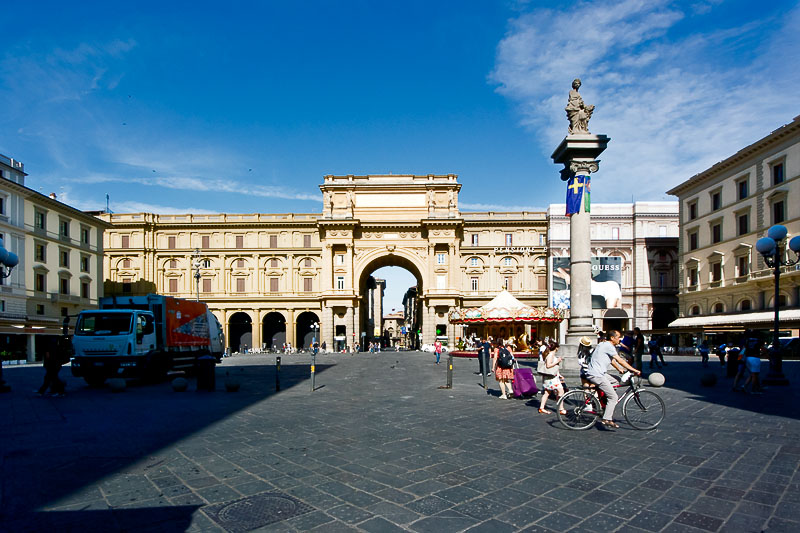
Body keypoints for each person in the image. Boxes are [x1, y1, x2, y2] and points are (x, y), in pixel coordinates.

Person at [584, 330, 641, 428]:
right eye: (618, 337)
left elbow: (612, 360)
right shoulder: (609, 346)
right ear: (612, 338)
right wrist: (633, 369)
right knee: (613, 397)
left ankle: (605, 401)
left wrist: (619, 369)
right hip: (597, 375)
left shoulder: (603, 344)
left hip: (595, 372)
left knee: (616, 380)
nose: (620, 339)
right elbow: (619, 360)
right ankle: (607, 419)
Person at [538, 341, 566, 415]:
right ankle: (561, 408)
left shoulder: (551, 354)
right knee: (561, 391)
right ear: (556, 348)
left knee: (547, 393)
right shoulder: (550, 355)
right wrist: (557, 361)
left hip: (551, 377)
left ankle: (542, 408)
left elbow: (554, 368)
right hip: (551, 378)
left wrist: (559, 374)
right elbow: (548, 365)